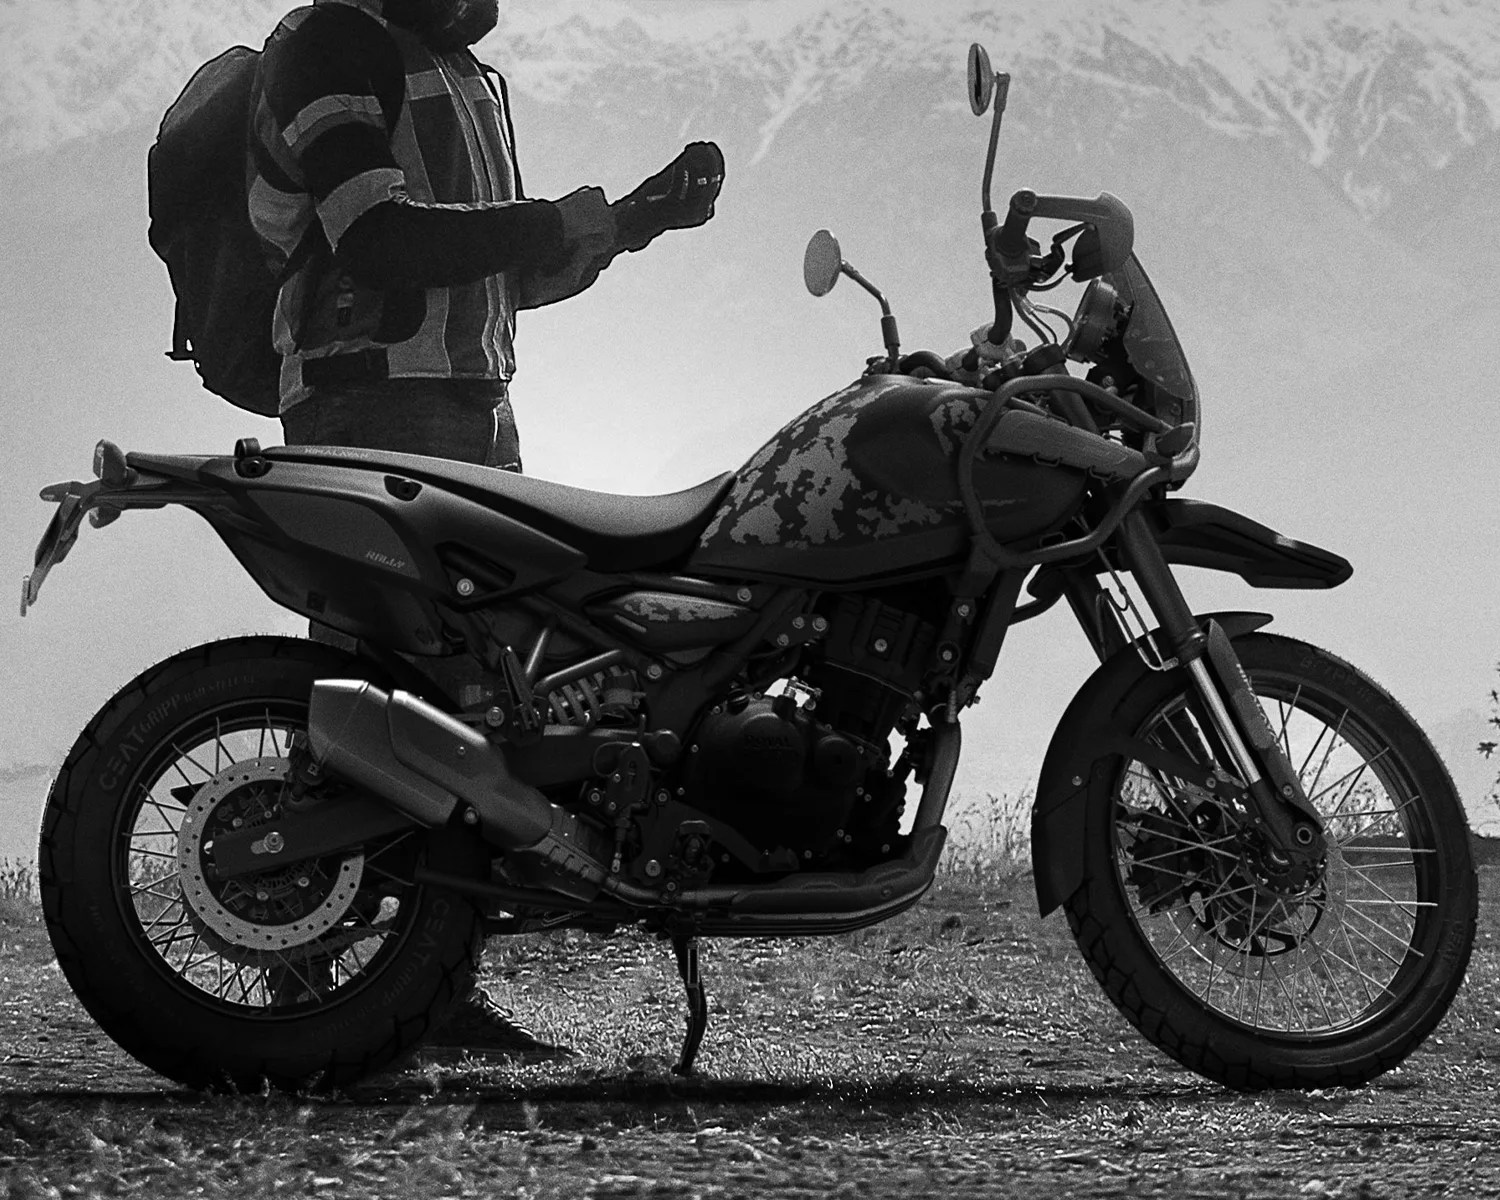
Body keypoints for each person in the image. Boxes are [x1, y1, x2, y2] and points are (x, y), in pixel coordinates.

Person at [247, 0, 724, 1055]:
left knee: (457, 699)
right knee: (373, 685)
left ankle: (427, 984)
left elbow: (494, 267)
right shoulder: (337, 42)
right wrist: (565, 218)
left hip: (469, 408)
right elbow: (376, 237)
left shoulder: (461, 73)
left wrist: (633, 219)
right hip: (370, 404)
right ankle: (311, 986)